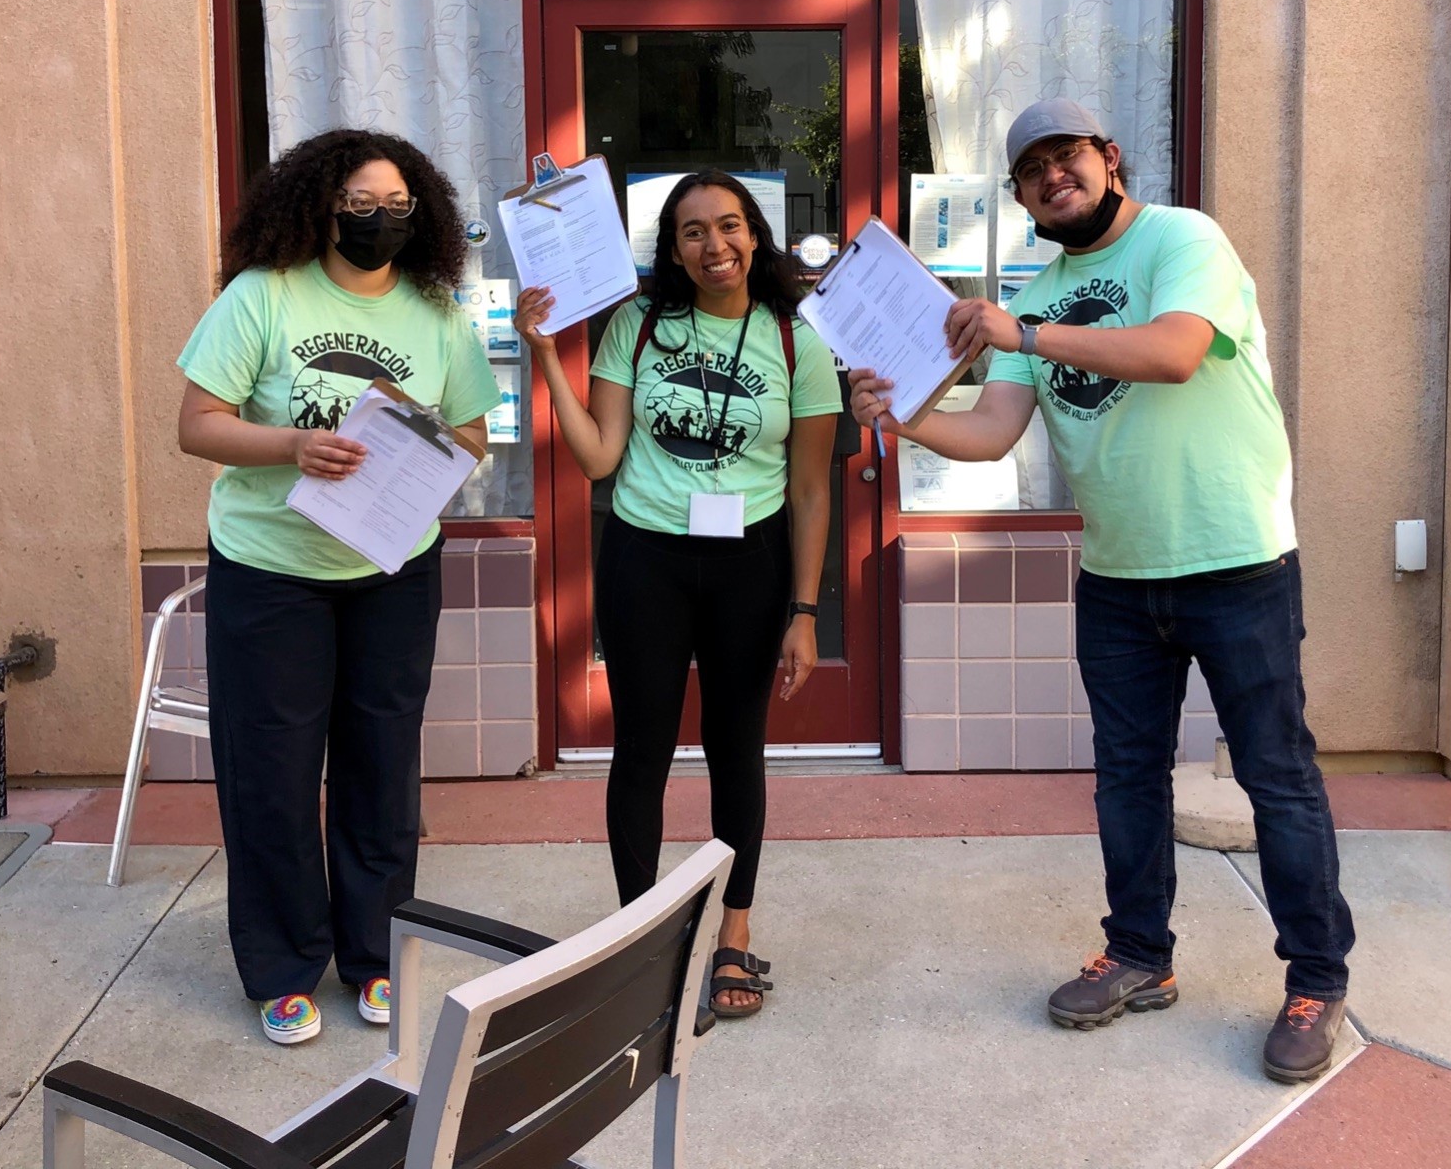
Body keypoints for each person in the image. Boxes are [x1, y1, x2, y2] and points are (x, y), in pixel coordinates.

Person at [848, 99, 1355, 1084]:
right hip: (1118, 579)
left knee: (1275, 778)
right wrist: (900, 419)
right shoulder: (1038, 290)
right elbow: (992, 432)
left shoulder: (1180, 239)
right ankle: (1137, 956)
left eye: (1064, 156)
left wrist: (1025, 335)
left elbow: (1170, 351)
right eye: (1030, 168)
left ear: (1108, 160)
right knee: (1125, 781)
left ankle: (1314, 979)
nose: (1050, 176)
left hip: (1234, 563)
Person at [176, 128, 499, 1046]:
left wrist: (422, 446)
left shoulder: (435, 314)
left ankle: (375, 956)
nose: (380, 220)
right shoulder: (263, 296)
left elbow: (474, 435)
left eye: (398, 205)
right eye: (362, 204)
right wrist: (293, 445)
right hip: (273, 571)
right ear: (319, 205)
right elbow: (197, 425)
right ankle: (283, 967)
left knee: (382, 768)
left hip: (390, 568)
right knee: (272, 774)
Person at [514, 170, 841, 1019]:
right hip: (646, 561)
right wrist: (547, 353)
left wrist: (804, 612)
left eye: (728, 226)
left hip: (751, 563)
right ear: (672, 249)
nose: (714, 245)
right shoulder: (638, 324)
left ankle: (732, 936)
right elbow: (596, 458)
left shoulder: (798, 339)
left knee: (738, 750)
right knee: (642, 751)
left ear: (755, 235)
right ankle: (638, 942)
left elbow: (811, 492)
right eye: (692, 232)